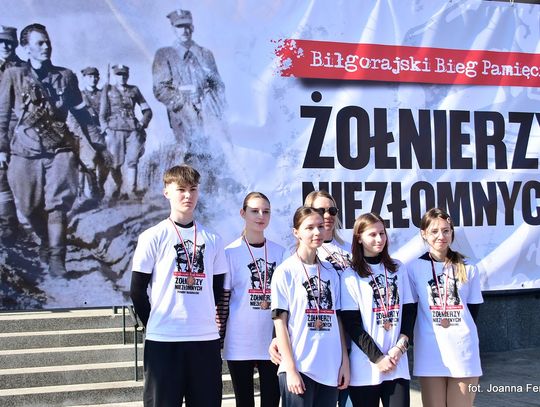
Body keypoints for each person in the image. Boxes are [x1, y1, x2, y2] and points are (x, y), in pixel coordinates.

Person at [0, 23, 107, 276]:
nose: (46, 46)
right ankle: (46, 241)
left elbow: (82, 114)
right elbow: (2, 115)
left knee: (57, 204)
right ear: (25, 48)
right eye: (39, 43)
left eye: (47, 42)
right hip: (24, 150)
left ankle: (58, 258)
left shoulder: (66, 76)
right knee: (28, 207)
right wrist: (1, 148)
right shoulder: (14, 75)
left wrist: (98, 145)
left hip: (60, 148)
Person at [130, 164, 228, 407]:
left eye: (193, 189)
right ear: (167, 192)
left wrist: (201, 313)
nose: (188, 195)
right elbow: (137, 290)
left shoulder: (213, 239)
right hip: (164, 340)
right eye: (181, 189)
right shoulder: (152, 236)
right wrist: (154, 322)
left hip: (204, 339)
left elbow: (217, 288)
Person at [271, 206, 350, 406]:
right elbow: (280, 324)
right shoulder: (285, 271)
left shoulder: (331, 272)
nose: (317, 232)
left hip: (330, 368)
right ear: (296, 232)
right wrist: (290, 369)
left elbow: (338, 319)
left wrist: (344, 362)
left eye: (320, 227)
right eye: (309, 228)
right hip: (300, 368)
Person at [407, 207, 483, 407]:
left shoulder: (468, 267)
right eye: (434, 231)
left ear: (452, 232)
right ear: (424, 233)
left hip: (463, 349)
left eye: (446, 230)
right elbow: (411, 309)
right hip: (430, 349)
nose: (441, 236)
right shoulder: (413, 268)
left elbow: (473, 310)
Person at [340, 213, 415, 407]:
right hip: (366, 367)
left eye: (382, 233)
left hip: (397, 362)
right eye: (372, 234)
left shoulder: (398, 268)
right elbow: (352, 324)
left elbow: (409, 311)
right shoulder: (350, 275)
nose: (379, 239)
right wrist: (378, 358)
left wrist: (400, 347)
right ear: (359, 238)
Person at [221, 192, 285, 407]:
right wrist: (219, 339)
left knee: (271, 401)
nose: (261, 216)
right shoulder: (230, 253)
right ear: (243, 213)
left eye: (266, 211)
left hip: (272, 341)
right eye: (255, 211)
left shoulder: (280, 253)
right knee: (244, 402)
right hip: (240, 340)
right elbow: (223, 300)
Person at [152, 9, 226, 149]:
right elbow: (160, 89)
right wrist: (185, 101)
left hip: (208, 115)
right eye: (179, 26)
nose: (184, 31)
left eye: (187, 26)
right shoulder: (164, 55)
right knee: (189, 154)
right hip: (182, 116)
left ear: (192, 27)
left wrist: (208, 98)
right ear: (173, 29)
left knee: (215, 154)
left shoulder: (205, 54)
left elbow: (218, 84)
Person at [99, 64, 152, 201]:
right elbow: (102, 114)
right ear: (114, 75)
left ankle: (131, 190)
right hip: (115, 130)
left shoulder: (134, 90)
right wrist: (106, 130)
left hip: (133, 130)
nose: (122, 77)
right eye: (119, 74)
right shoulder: (108, 89)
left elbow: (147, 110)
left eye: (124, 74)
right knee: (115, 162)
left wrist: (142, 123)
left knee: (132, 160)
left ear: (128, 75)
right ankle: (116, 190)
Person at [69, 66, 108, 208]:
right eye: (90, 76)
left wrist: (106, 125)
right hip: (85, 131)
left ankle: (99, 189)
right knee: (85, 162)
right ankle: (86, 194)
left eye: (95, 76)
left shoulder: (103, 94)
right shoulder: (79, 95)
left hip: (102, 131)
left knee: (104, 161)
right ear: (84, 78)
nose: (93, 79)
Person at [0, 25, 23, 244]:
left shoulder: (24, 69)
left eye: (9, 42)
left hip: (18, 129)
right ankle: (9, 225)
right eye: (1, 42)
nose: (5, 46)